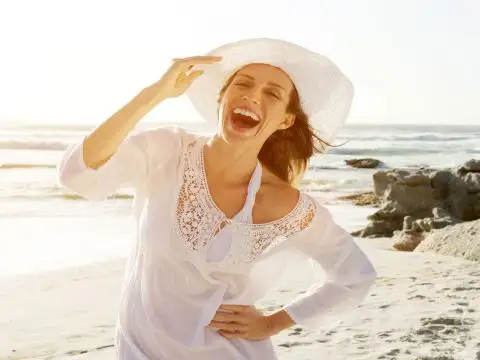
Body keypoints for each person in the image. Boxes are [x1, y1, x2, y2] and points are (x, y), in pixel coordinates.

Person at [57, 38, 377, 360]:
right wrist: (154, 94)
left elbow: (355, 275)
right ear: (221, 99)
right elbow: (78, 174)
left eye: (272, 93)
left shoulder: (287, 204)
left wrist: (273, 323)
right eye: (243, 84)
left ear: (285, 120)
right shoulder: (168, 151)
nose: (252, 96)